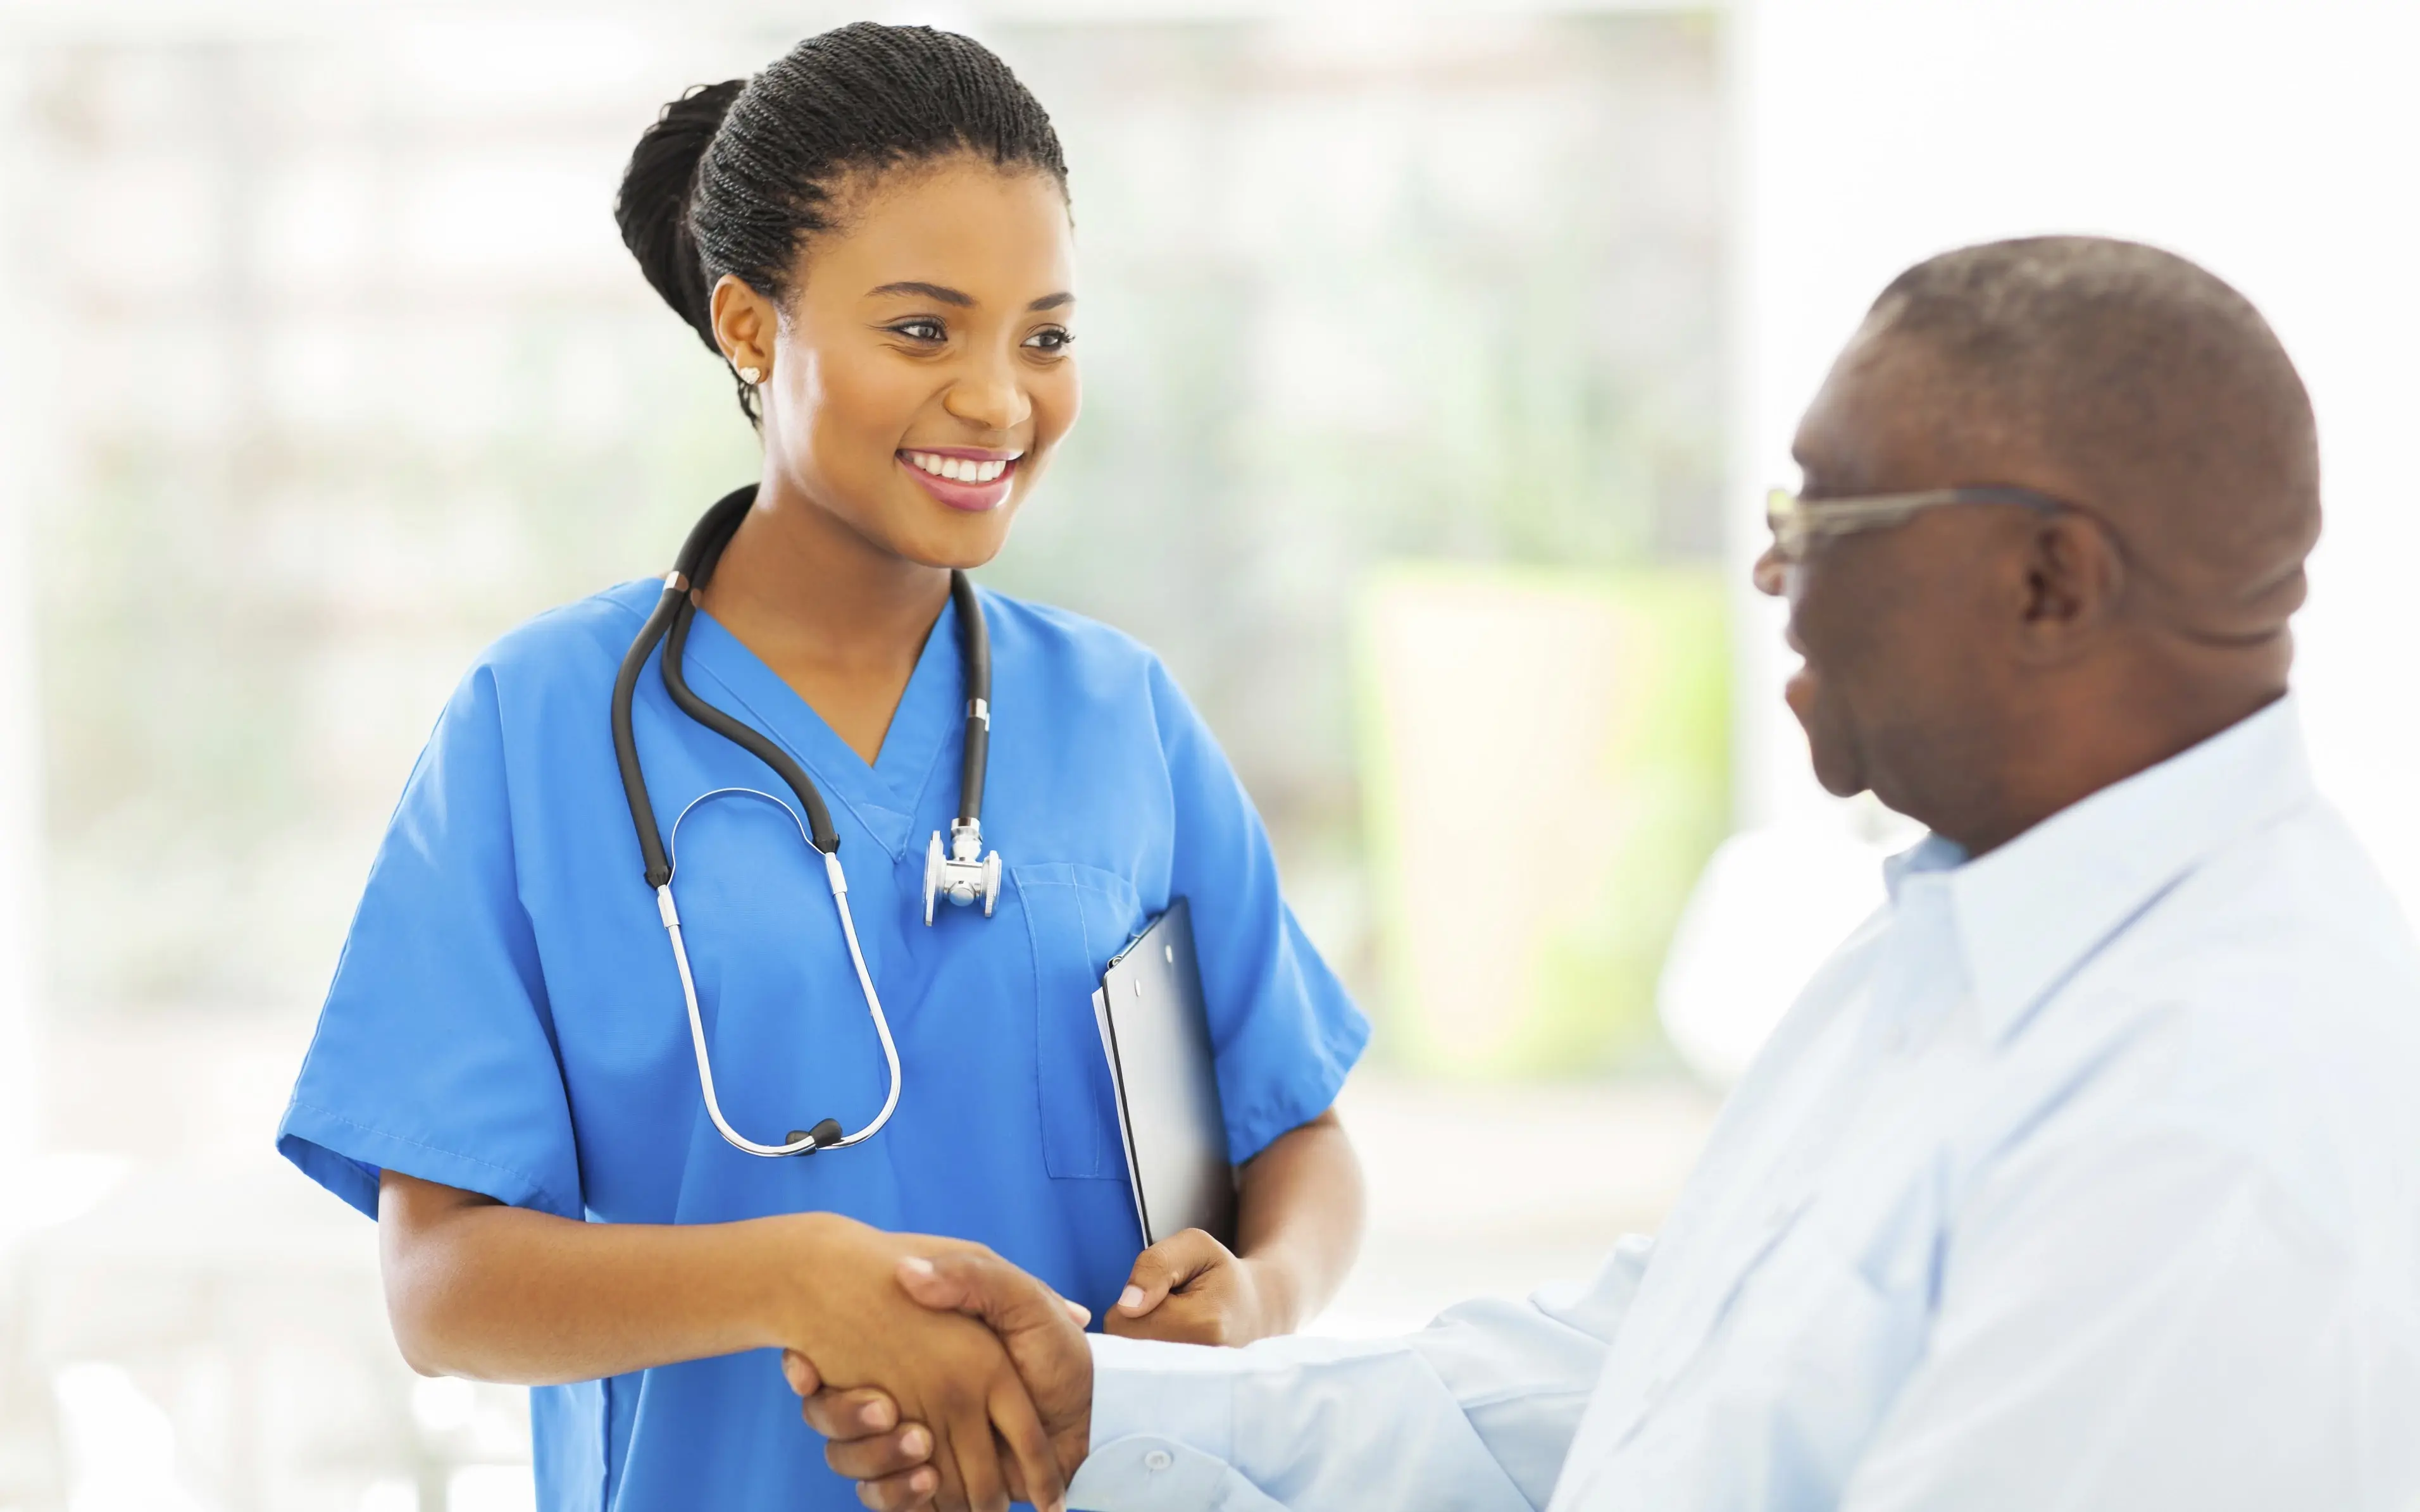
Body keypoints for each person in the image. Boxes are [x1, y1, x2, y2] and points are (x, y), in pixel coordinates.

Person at [797, 236, 2420, 1510]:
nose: (1774, 570)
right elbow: (1630, 1380)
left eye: (1826, 514)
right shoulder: (1943, 948)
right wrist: (1113, 1406)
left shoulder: (2207, 1123)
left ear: (2049, 581)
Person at [273, 23, 1370, 1512]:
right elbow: (443, 1286)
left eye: (1044, 335)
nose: (998, 400)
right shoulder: (534, 725)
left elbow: (1295, 1132)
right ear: (748, 326)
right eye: (922, 330)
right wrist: (796, 1278)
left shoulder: (1119, 712)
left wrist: (1261, 1292)